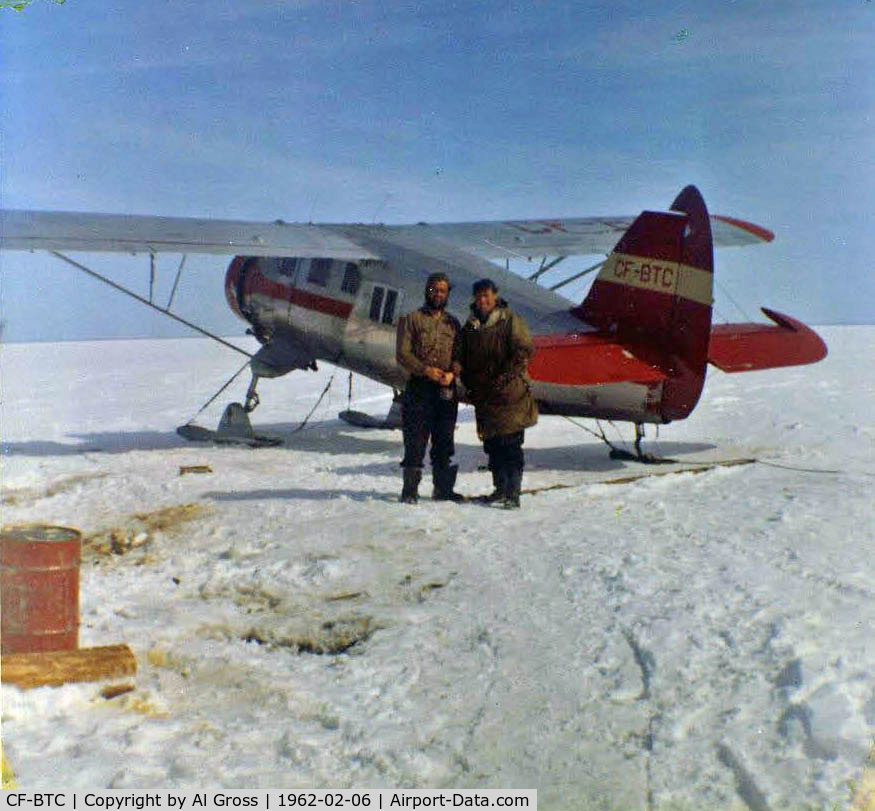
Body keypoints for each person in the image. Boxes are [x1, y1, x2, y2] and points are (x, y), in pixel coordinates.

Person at [460, 278, 538, 508]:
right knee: (492, 445)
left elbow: (524, 350)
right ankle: (500, 489)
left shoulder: (510, 319)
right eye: (479, 296)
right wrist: (469, 382)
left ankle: (513, 494)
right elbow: (465, 355)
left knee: (511, 444)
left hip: (509, 394)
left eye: (487, 295)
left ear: (495, 296)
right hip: (485, 396)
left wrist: (504, 378)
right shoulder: (472, 324)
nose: (483, 300)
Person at [395, 271, 464, 504]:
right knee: (415, 439)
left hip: (445, 388)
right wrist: (425, 370)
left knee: (444, 440)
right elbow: (402, 354)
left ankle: (442, 490)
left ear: (447, 294)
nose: (437, 294)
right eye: (434, 289)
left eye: (442, 290)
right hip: (420, 387)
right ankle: (410, 491)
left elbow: (460, 354)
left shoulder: (453, 324)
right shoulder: (412, 318)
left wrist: (452, 372)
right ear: (427, 291)